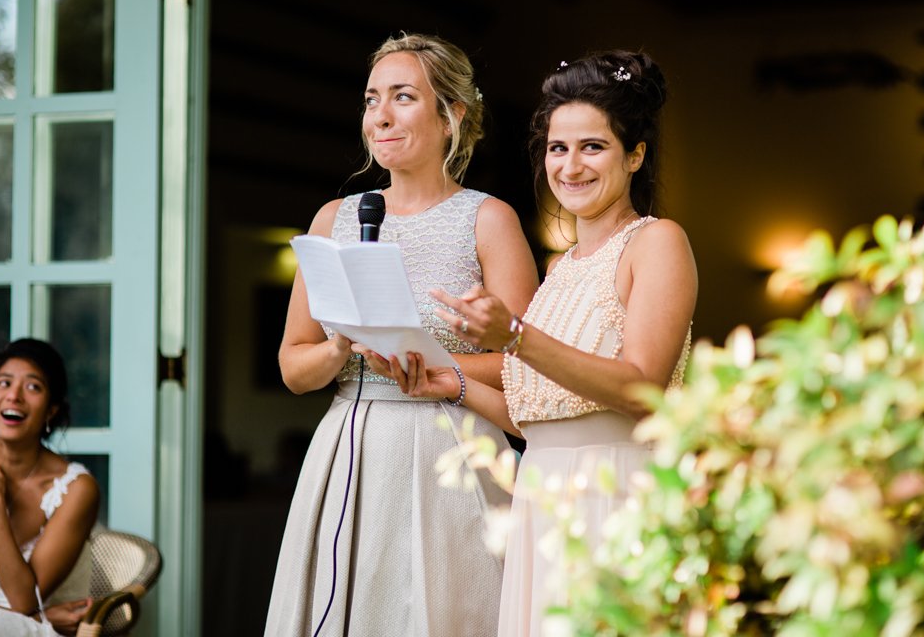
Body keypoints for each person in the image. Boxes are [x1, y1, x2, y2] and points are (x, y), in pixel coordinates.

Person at [380, 50, 697, 636]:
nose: (571, 166)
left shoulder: (657, 244)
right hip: (542, 500)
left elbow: (643, 388)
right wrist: (449, 382)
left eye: (592, 147)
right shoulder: (562, 269)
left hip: (617, 497)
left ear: (635, 155)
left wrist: (515, 337)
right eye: (558, 148)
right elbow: (542, 420)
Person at [263, 32, 539, 636]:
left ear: (451, 116)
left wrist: (443, 371)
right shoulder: (334, 219)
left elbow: (529, 366)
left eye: (403, 97)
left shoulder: (488, 219)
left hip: (455, 450)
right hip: (349, 450)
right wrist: (341, 345)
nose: (380, 116)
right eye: (371, 100)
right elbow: (292, 367)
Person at [0, 338, 100, 636]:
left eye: (32, 386)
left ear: (51, 410)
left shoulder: (75, 489)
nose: (14, 396)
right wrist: (44, 616)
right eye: (3, 383)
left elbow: (23, 601)